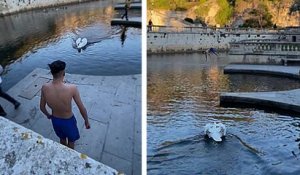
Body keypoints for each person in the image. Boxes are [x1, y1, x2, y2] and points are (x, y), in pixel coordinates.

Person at [40, 60, 90, 149]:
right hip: (68, 121)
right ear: (63, 72)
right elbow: (81, 108)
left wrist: (48, 115)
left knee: (62, 139)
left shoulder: (44, 87)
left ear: (52, 73)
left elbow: (42, 107)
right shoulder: (72, 88)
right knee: (71, 142)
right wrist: (86, 120)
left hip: (55, 121)